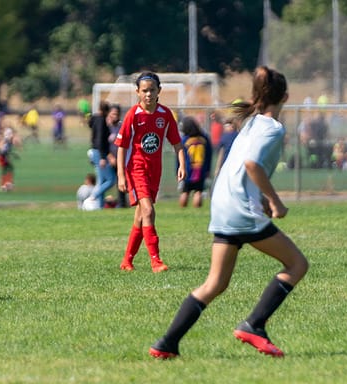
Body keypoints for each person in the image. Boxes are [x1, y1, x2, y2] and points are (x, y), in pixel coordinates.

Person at [149, 66, 309, 359]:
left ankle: (166, 343)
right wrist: (275, 202)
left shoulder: (250, 122)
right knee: (297, 264)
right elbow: (251, 165)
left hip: (222, 204)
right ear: (285, 96)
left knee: (216, 283)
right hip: (239, 208)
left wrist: (258, 196)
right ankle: (254, 325)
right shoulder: (272, 128)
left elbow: (241, 168)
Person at [116, 72, 185, 273]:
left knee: (140, 215)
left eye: (152, 90)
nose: (148, 94)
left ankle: (127, 261)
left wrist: (182, 165)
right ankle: (156, 261)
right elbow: (121, 146)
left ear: (159, 91)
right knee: (148, 211)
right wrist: (121, 175)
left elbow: (177, 143)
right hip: (136, 169)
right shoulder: (133, 115)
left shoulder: (165, 114)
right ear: (137, 92)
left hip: (155, 170)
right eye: (144, 90)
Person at [86, 103, 121, 209]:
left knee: (101, 180)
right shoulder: (101, 121)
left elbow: (90, 124)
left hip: (95, 151)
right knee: (111, 180)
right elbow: (100, 140)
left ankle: (100, 206)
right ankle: (93, 196)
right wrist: (102, 157)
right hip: (99, 153)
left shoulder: (95, 118)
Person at [177, 116, 212, 208]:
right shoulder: (204, 138)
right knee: (198, 191)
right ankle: (197, 209)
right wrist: (208, 169)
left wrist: (178, 168)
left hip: (188, 169)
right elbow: (209, 154)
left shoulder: (184, 139)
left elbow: (180, 155)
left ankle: (182, 209)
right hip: (200, 169)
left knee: (185, 191)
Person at [0, 127, 18, 192]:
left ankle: (6, 184)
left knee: (7, 169)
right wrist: (5, 156)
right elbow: (0, 149)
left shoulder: (8, 140)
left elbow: (6, 150)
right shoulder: (7, 140)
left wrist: (13, 154)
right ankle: (5, 184)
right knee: (7, 169)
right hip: (2, 157)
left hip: (3, 156)